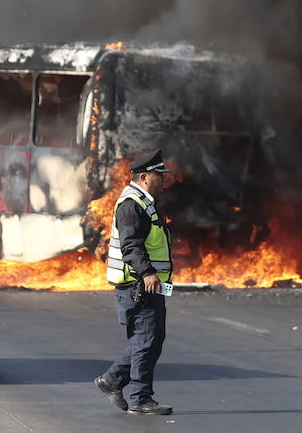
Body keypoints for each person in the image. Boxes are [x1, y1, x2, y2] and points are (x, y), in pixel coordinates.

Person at [95, 149, 174, 415]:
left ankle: (112, 380)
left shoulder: (145, 202)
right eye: (159, 175)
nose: (163, 180)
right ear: (144, 177)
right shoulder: (132, 204)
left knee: (150, 339)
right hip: (137, 287)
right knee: (146, 340)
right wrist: (147, 272)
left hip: (146, 286)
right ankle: (140, 398)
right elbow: (131, 246)